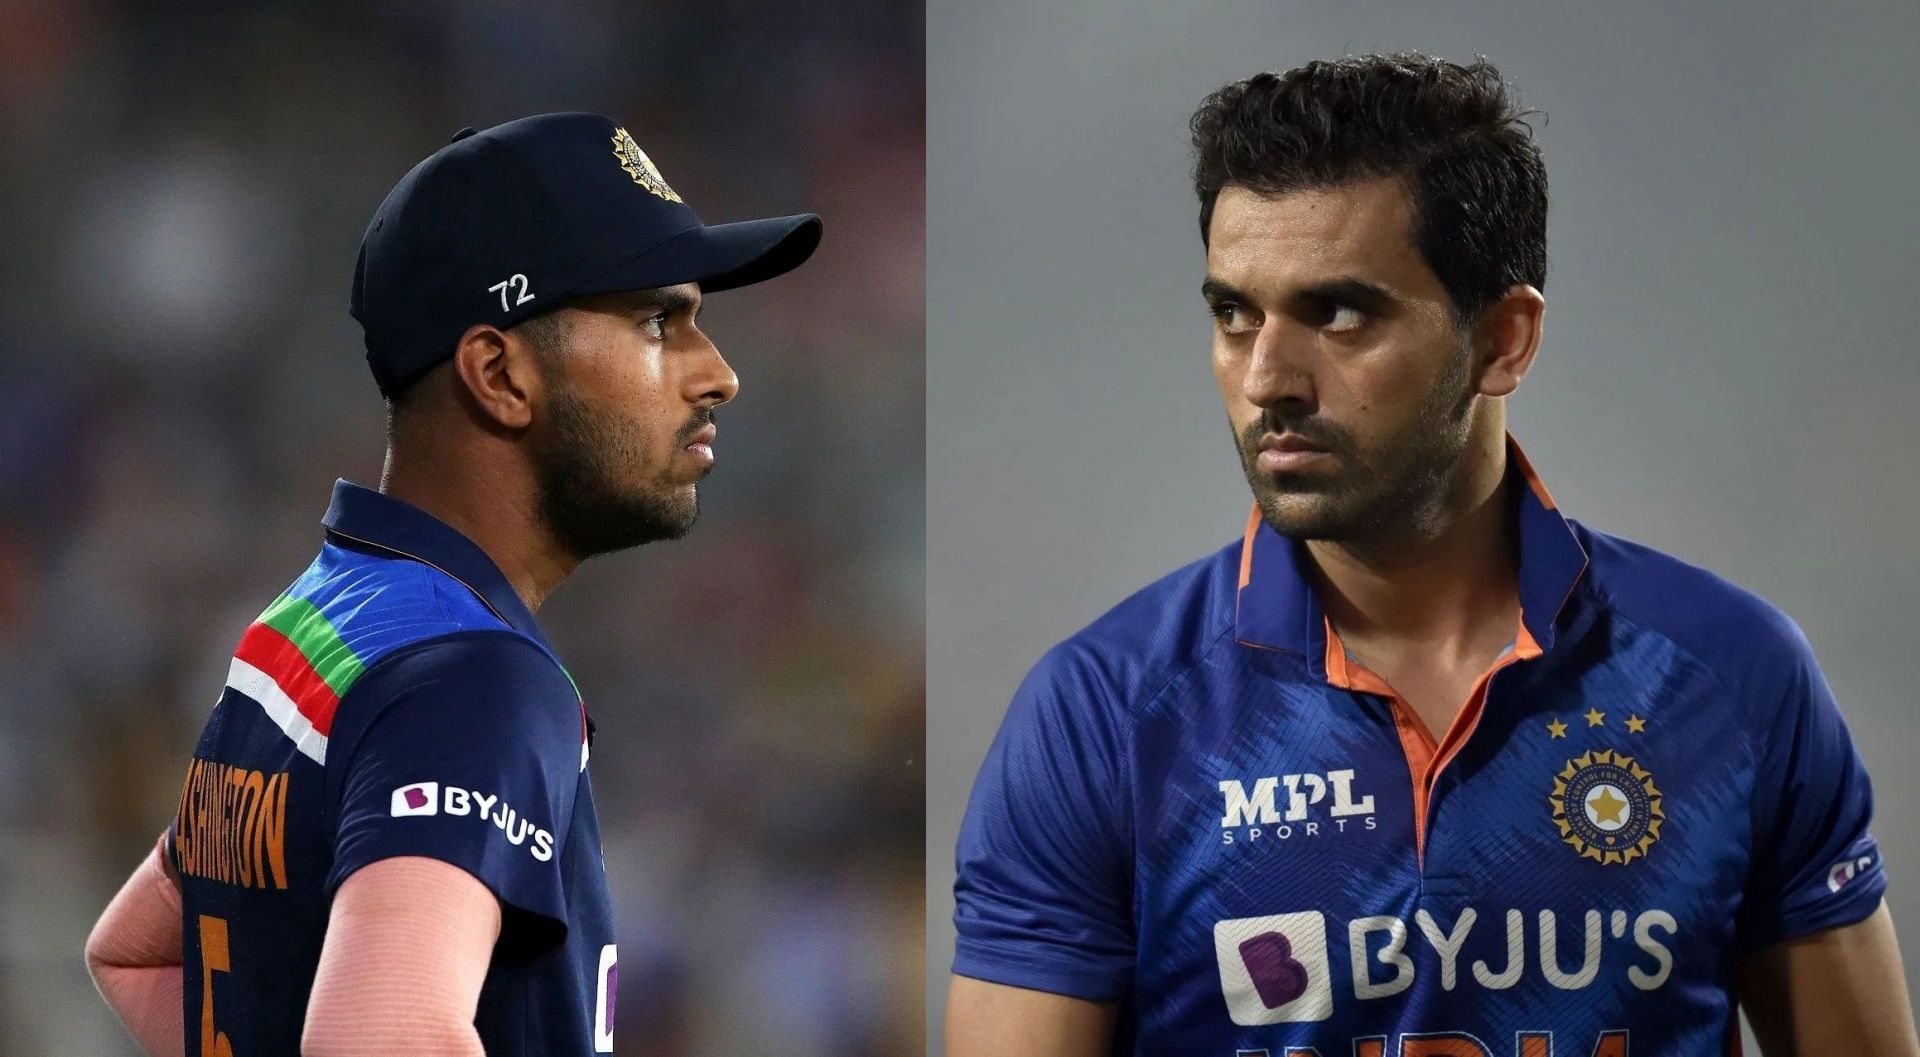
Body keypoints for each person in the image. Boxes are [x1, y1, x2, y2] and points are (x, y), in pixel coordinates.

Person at [946, 54, 1919, 1056]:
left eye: (1339, 313)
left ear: (1503, 338)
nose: (1268, 376)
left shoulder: (1733, 676)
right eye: (1234, 312)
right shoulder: (1102, 715)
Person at [83, 112, 821, 1057]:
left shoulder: (314, 623)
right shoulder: (474, 680)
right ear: (499, 375)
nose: (717, 373)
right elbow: (378, 1038)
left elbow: (142, 957)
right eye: (656, 321)